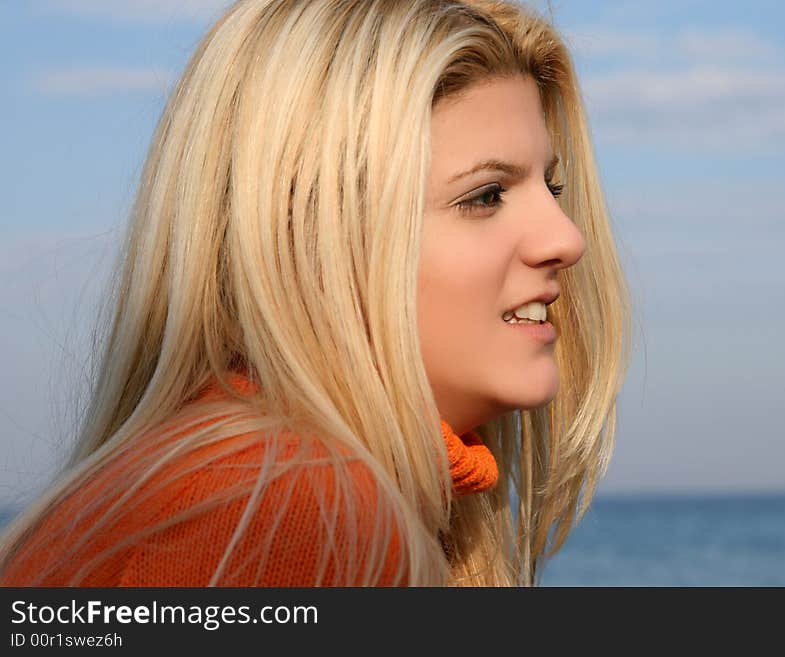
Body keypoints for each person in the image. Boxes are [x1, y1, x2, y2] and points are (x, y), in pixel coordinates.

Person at [0, 0, 631, 587]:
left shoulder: (241, 488)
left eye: (552, 187)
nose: (566, 238)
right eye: (485, 195)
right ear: (311, 238)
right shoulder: (294, 513)